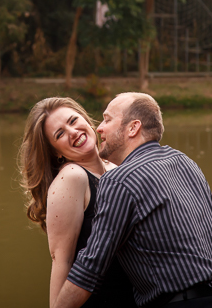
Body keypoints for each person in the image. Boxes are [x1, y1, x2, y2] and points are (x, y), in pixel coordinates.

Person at [54, 92, 212, 308]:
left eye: (107, 119)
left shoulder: (119, 179)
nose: (99, 127)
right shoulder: (185, 162)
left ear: (133, 128)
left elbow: (90, 267)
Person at [18, 97, 137, 308]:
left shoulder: (118, 168)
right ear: (56, 151)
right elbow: (61, 260)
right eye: (60, 134)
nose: (72, 132)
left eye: (73, 121)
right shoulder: (72, 177)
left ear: (85, 119)